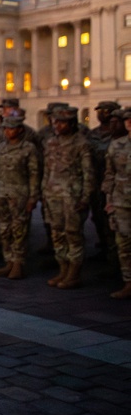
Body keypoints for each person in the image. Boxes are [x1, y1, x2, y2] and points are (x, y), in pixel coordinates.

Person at [42, 106, 94, 289]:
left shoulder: (81, 143)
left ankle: (74, 272)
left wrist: (85, 198)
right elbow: (47, 170)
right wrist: (44, 192)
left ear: (72, 123)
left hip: (73, 196)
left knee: (73, 234)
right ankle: (63, 268)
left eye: (62, 122)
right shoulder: (51, 142)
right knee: (57, 233)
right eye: (56, 122)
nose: (58, 125)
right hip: (53, 194)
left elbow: (89, 173)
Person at [0, 116, 41, 279]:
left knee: (19, 229)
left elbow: (34, 174)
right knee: (4, 229)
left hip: (19, 194)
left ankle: (18, 262)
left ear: (20, 130)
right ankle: (9, 261)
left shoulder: (28, 148)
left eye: (11, 128)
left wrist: (33, 197)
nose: (7, 131)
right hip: (0, 193)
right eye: (5, 128)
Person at [103, 108, 131, 299]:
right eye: (127, 120)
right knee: (124, 244)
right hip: (121, 201)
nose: (129, 123)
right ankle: (129, 282)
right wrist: (109, 200)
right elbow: (110, 174)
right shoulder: (116, 145)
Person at [88, 101, 121, 259]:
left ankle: (115, 255)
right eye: (99, 111)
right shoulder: (93, 133)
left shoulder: (119, 134)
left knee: (113, 220)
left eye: (105, 111)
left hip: (113, 183)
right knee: (97, 216)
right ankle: (104, 247)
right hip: (96, 180)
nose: (101, 114)